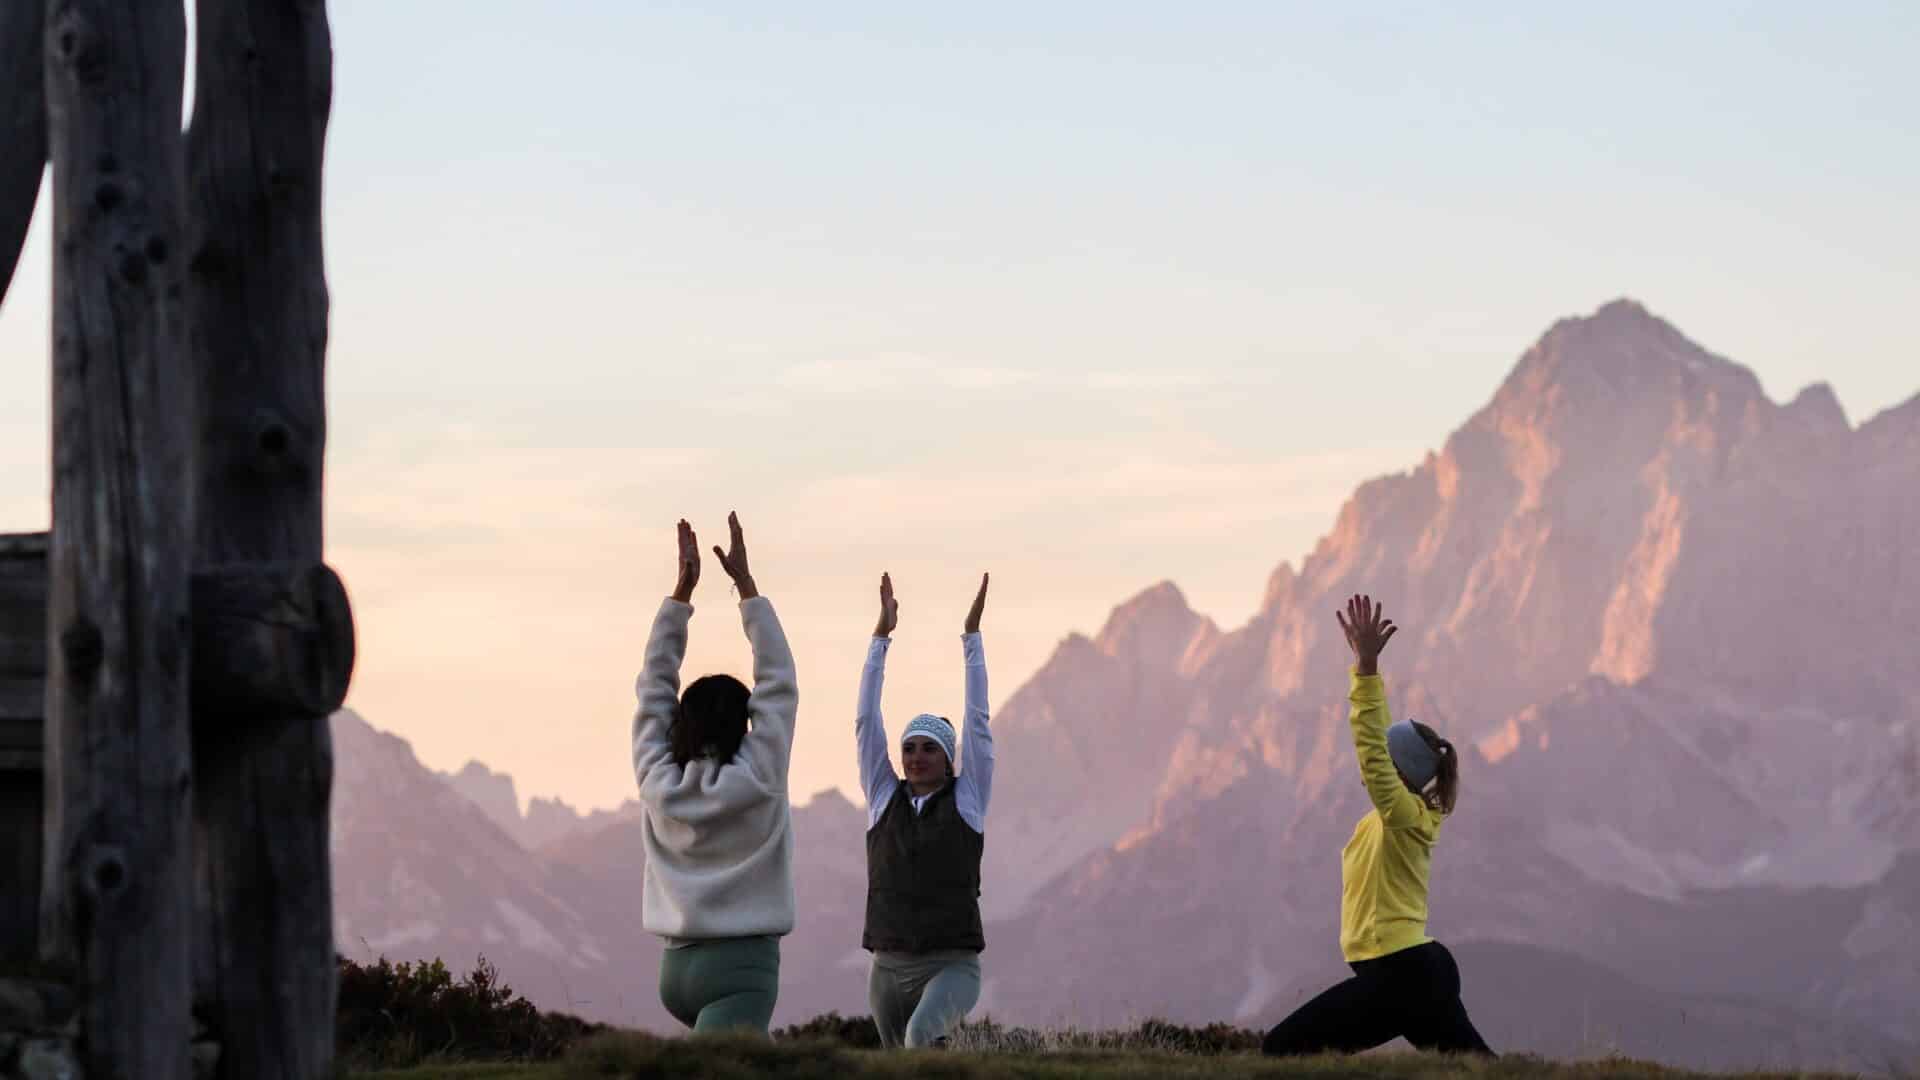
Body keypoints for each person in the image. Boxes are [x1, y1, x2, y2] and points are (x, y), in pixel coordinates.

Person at [1262, 594, 1494, 1057]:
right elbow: (1385, 741)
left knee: (1281, 1052)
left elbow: (1372, 751)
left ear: (1399, 769)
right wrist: (1367, 670)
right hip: (1414, 969)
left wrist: (1364, 672)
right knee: (1475, 1067)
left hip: (1403, 973)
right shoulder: (1403, 811)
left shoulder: (1401, 814)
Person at [631, 513, 798, 1034]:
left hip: (674, 967)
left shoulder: (658, 780)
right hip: (740, 968)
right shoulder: (758, 775)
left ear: (681, 722)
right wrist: (746, 586)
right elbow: (780, 680)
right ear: (744, 723)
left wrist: (681, 592)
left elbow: (653, 687)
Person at [855, 570, 995, 1048]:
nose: (916, 757)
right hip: (887, 967)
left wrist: (971, 637)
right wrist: (880, 636)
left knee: (921, 1040)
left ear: (948, 757)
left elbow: (977, 723)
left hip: (952, 963)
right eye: (909, 747)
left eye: (929, 749)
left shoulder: (968, 799)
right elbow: (865, 721)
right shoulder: (881, 797)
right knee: (898, 1063)